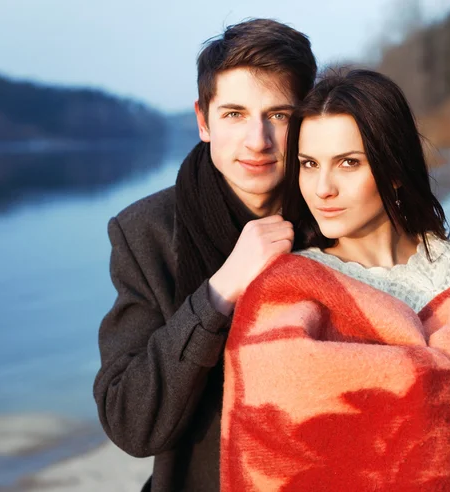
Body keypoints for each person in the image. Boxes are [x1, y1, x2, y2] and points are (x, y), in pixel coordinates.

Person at [93, 18, 317, 492]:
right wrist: (218, 293)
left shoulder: (335, 219)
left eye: (279, 115)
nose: (258, 140)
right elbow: (130, 424)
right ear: (203, 120)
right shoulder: (147, 232)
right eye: (235, 113)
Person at [221, 69, 450, 491]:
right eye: (309, 164)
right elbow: (264, 449)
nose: (322, 189)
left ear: (394, 167)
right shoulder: (287, 291)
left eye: (348, 163)